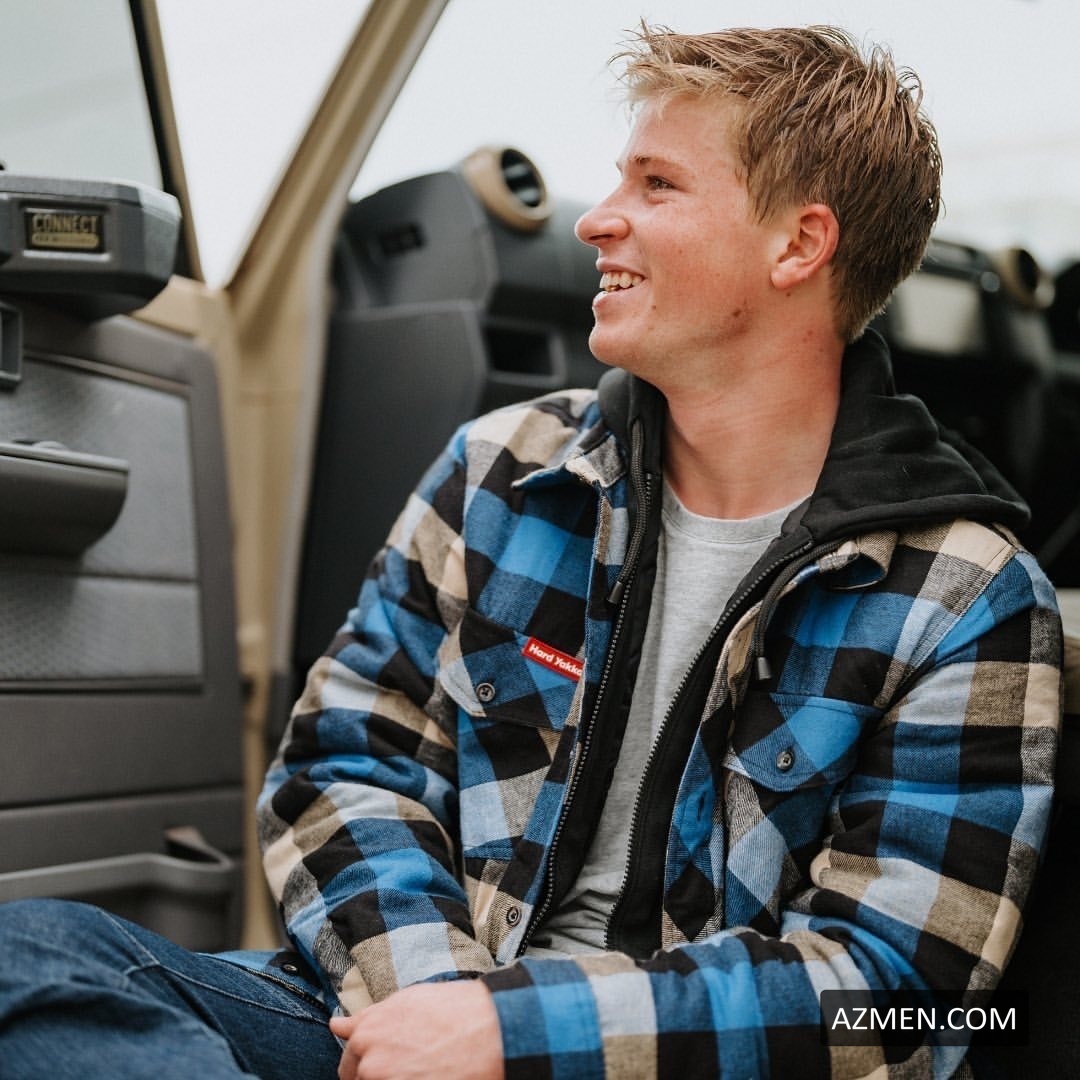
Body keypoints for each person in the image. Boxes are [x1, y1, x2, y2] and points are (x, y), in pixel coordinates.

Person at [0, 22, 1062, 1080]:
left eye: (657, 185)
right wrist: (437, 1005)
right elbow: (343, 761)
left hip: (678, 1064)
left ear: (798, 245)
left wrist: (516, 1036)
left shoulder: (969, 595)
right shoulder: (505, 467)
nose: (598, 218)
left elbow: (895, 990)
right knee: (28, 955)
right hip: (426, 1015)